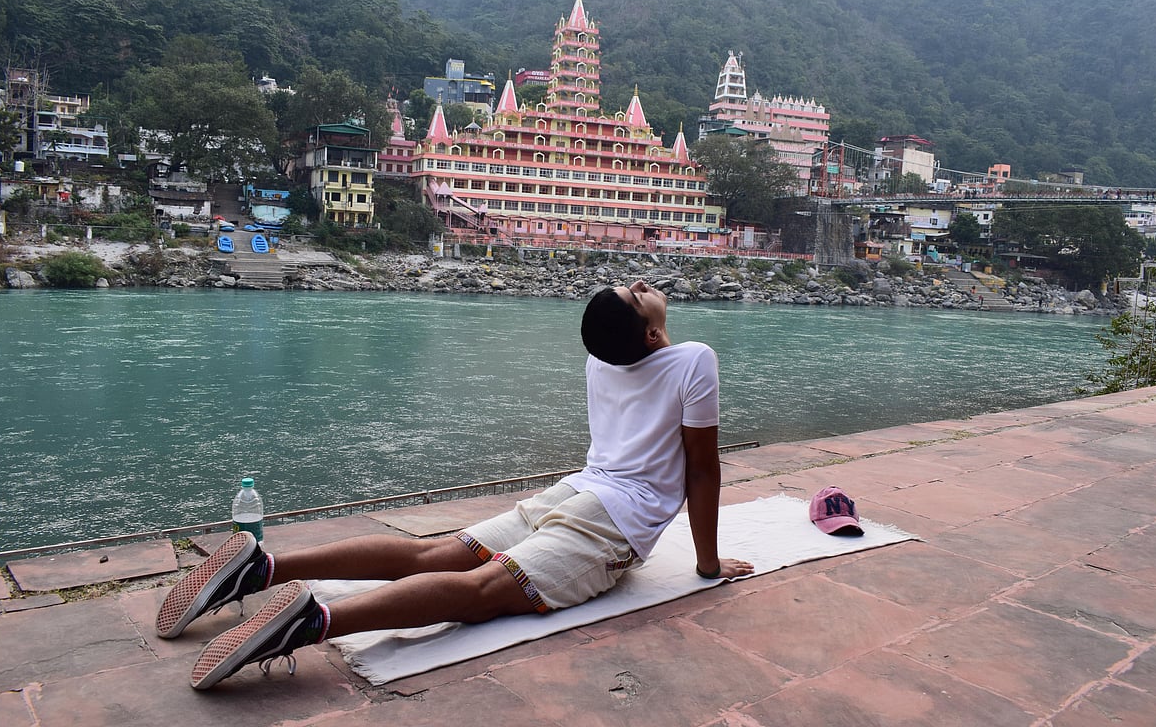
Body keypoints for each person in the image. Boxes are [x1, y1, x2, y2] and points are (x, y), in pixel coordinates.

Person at [157, 280, 754, 689]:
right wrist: (706, 566)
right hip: (611, 520)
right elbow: (702, 471)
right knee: (482, 590)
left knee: (430, 553)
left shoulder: (602, 358)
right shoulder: (693, 359)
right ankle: (314, 623)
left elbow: (636, 362)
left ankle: (266, 568)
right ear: (649, 334)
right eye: (637, 294)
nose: (645, 286)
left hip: (571, 492)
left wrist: (644, 330)